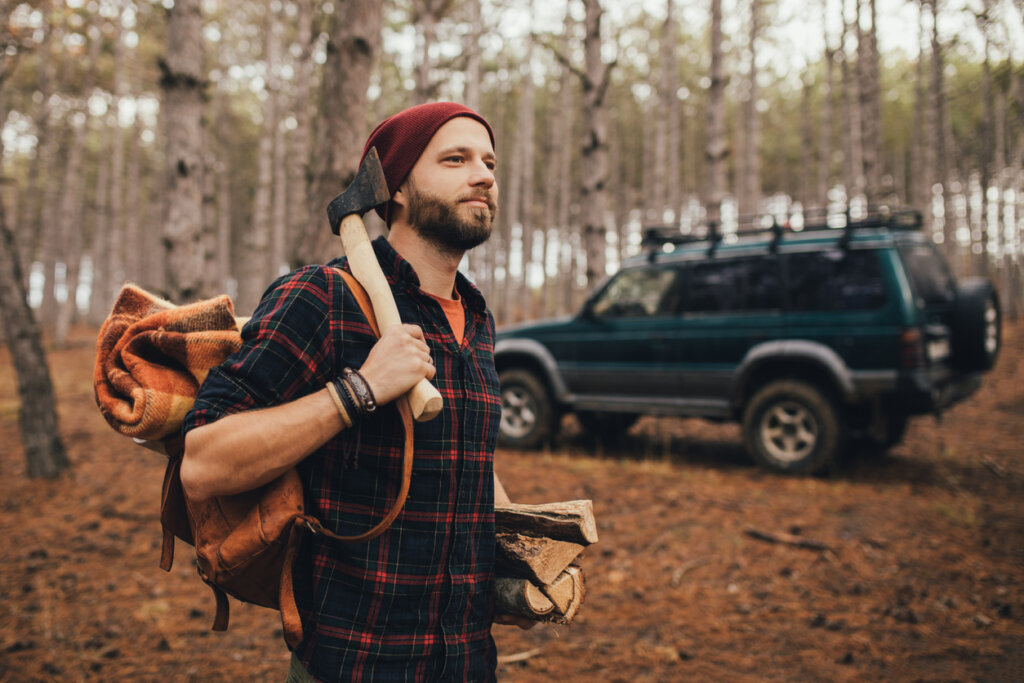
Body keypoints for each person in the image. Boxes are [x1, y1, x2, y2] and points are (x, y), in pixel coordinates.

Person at [179, 102, 528, 682]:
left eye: (489, 162)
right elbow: (204, 462)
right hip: (355, 662)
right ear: (397, 190)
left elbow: (470, 461)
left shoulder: (477, 317)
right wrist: (359, 390)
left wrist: (513, 565)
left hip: (468, 662)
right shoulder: (324, 297)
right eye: (455, 159)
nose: (484, 175)